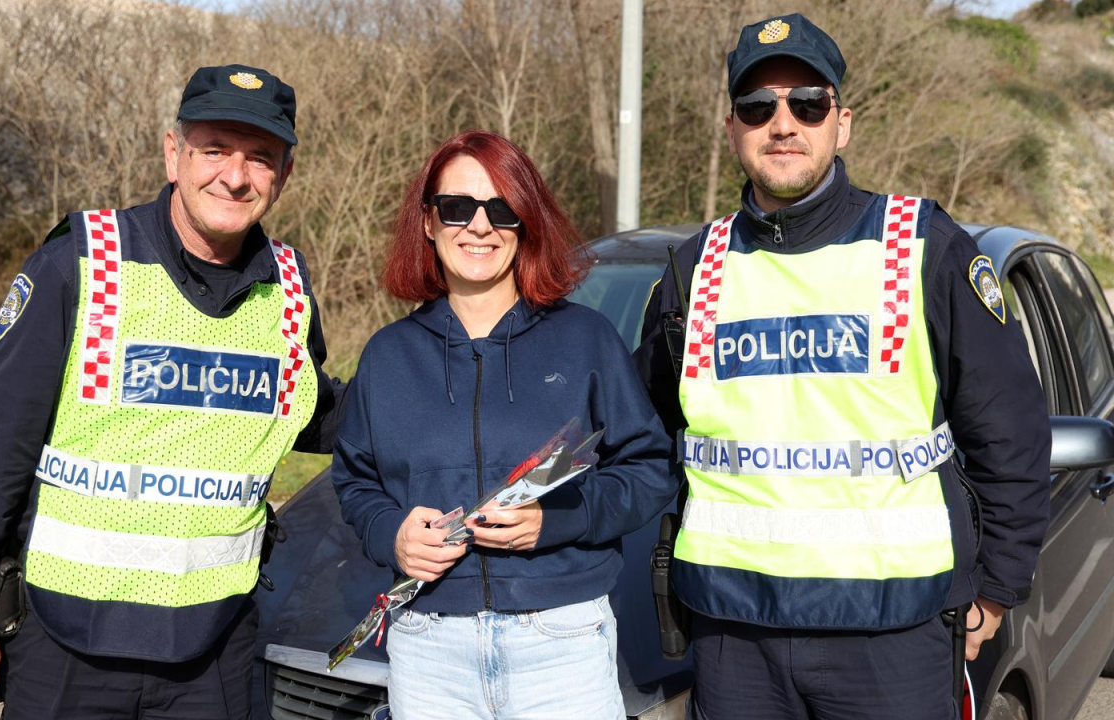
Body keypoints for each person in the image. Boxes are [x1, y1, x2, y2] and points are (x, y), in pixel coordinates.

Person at [635, 14, 1051, 720]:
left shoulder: (922, 247)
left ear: (842, 122)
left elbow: (1009, 428)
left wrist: (999, 585)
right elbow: (644, 436)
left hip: (894, 636)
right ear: (732, 128)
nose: (783, 123)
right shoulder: (691, 268)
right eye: (757, 107)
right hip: (734, 637)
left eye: (808, 102)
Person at [0, 64, 345, 719]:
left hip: (216, 653)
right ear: (172, 153)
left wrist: (435, 392)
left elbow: (311, 413)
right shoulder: (82, 263)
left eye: (259, 159)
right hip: (69, 650)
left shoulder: (287, 289)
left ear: (284, 174)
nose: (234, 177)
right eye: (213, 150)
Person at [331, 129, 677, 720]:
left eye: (503, 209)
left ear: (526, 222)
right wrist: (390, 532)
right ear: (428, 222)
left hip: (561, 646)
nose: (480, 226)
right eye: (458, 207)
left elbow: (648, 469)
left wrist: (558, 519)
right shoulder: (389, 355)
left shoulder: (585, 339)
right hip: (429, 648)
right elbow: (355, 481)